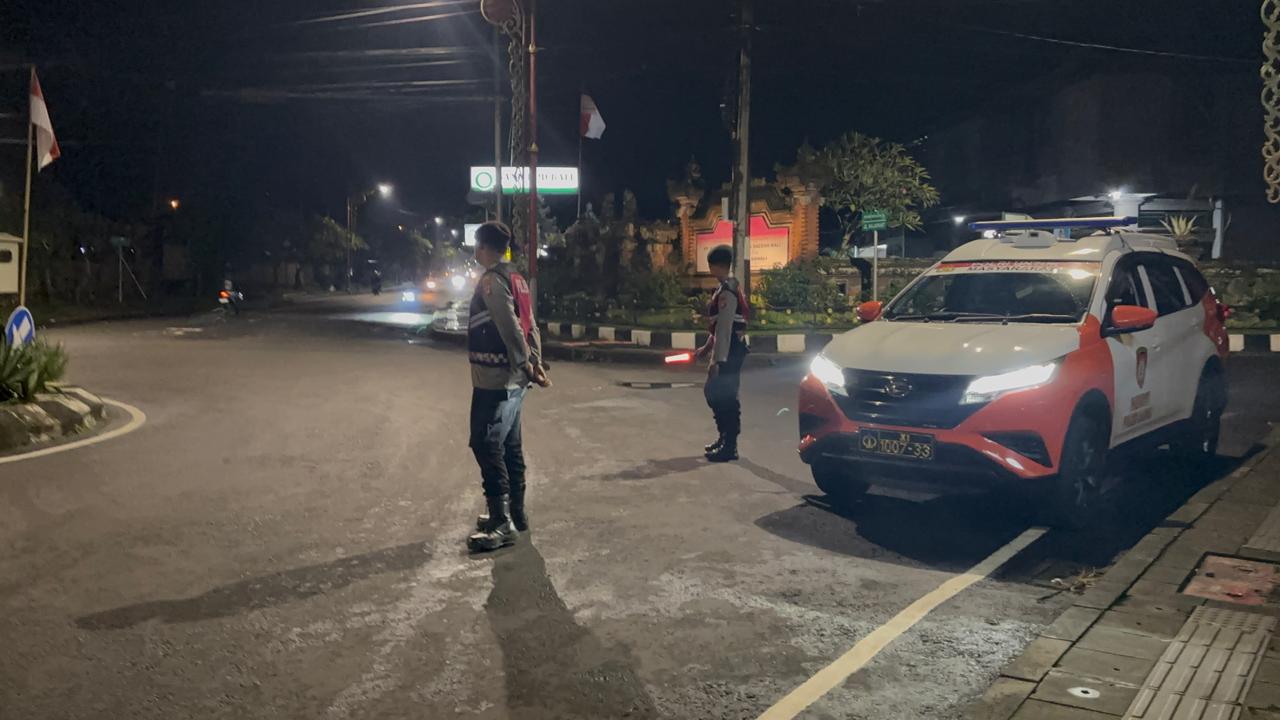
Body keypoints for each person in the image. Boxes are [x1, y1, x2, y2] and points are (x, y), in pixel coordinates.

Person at [466, 221, 551, 553]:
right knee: (510, 445)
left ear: (483, 246)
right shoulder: (516, 277)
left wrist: (525, 363)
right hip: (514, 378)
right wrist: (535, 361)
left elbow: (510, 325)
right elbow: (531, 323)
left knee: (486, 444)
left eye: (476, 245)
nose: (475, 251)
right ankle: (515, 513)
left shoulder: (492, 280)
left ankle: (501, 523)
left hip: (497, 379)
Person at [694, 244, 749, 462]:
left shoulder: (728, 291)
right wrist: (706, 348)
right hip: (728, 347)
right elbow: (718, 328)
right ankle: (724, 437)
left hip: (730, 351)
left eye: (711, 265)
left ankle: (730, 446)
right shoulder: (724, 288)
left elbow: (725, 329)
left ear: (717, 266)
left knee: (725, 396)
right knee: (714, 393)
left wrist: (716, 361)